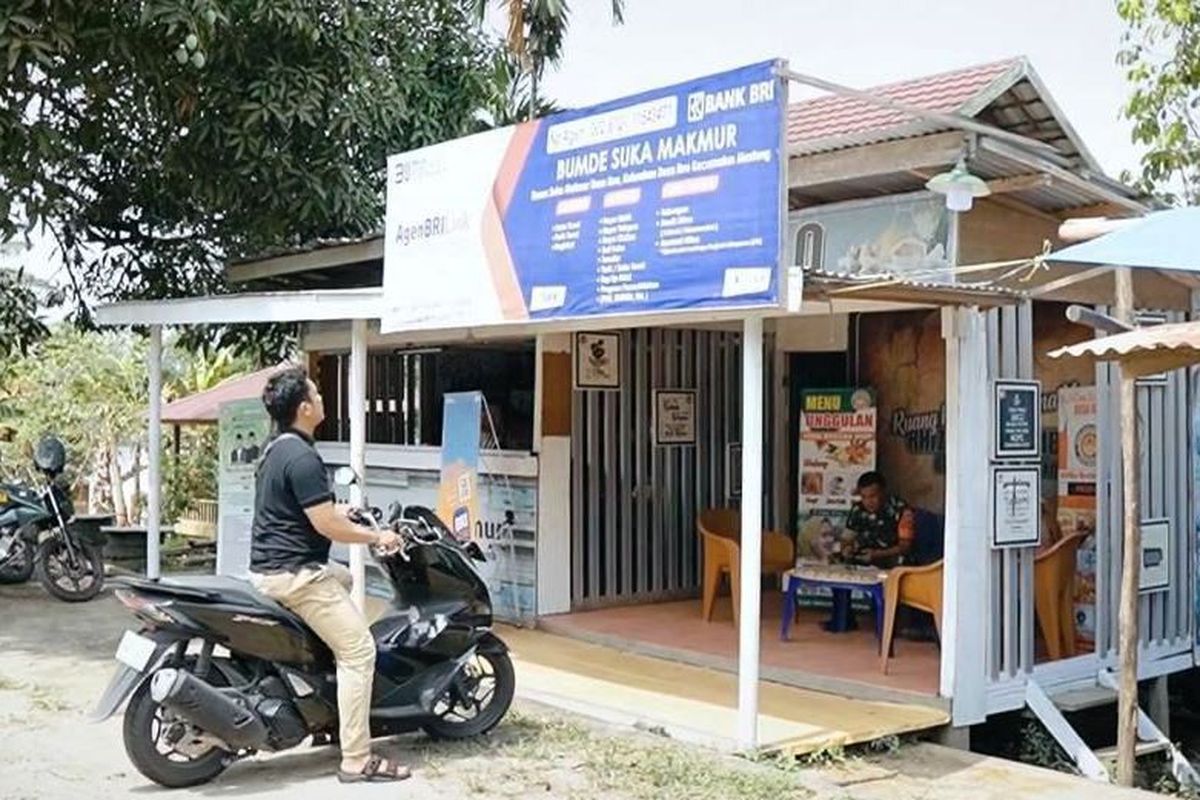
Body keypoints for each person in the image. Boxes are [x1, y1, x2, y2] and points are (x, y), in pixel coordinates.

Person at [247, 366, 409, 784]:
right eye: (317, 394)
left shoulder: (276, 448)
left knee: (346, 580)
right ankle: (356, 759)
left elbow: (306, 509)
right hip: (297, 576)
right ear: (304, 407)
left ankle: (323, 691)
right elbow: (324, 526)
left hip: (274, 568)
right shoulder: (301, 456)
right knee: (359, 652)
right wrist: (376, 536)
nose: (322, 399)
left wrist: (347, 513)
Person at [844, 471, 915, 569]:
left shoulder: (901, 509)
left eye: (872, 496)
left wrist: (877, 554)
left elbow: (905, 547)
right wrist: (847, 548)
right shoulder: (858, 509)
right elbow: (847, 538)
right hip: (863, 564)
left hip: (893, 565)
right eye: (864, 497)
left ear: (883, 492)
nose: (868, 502)